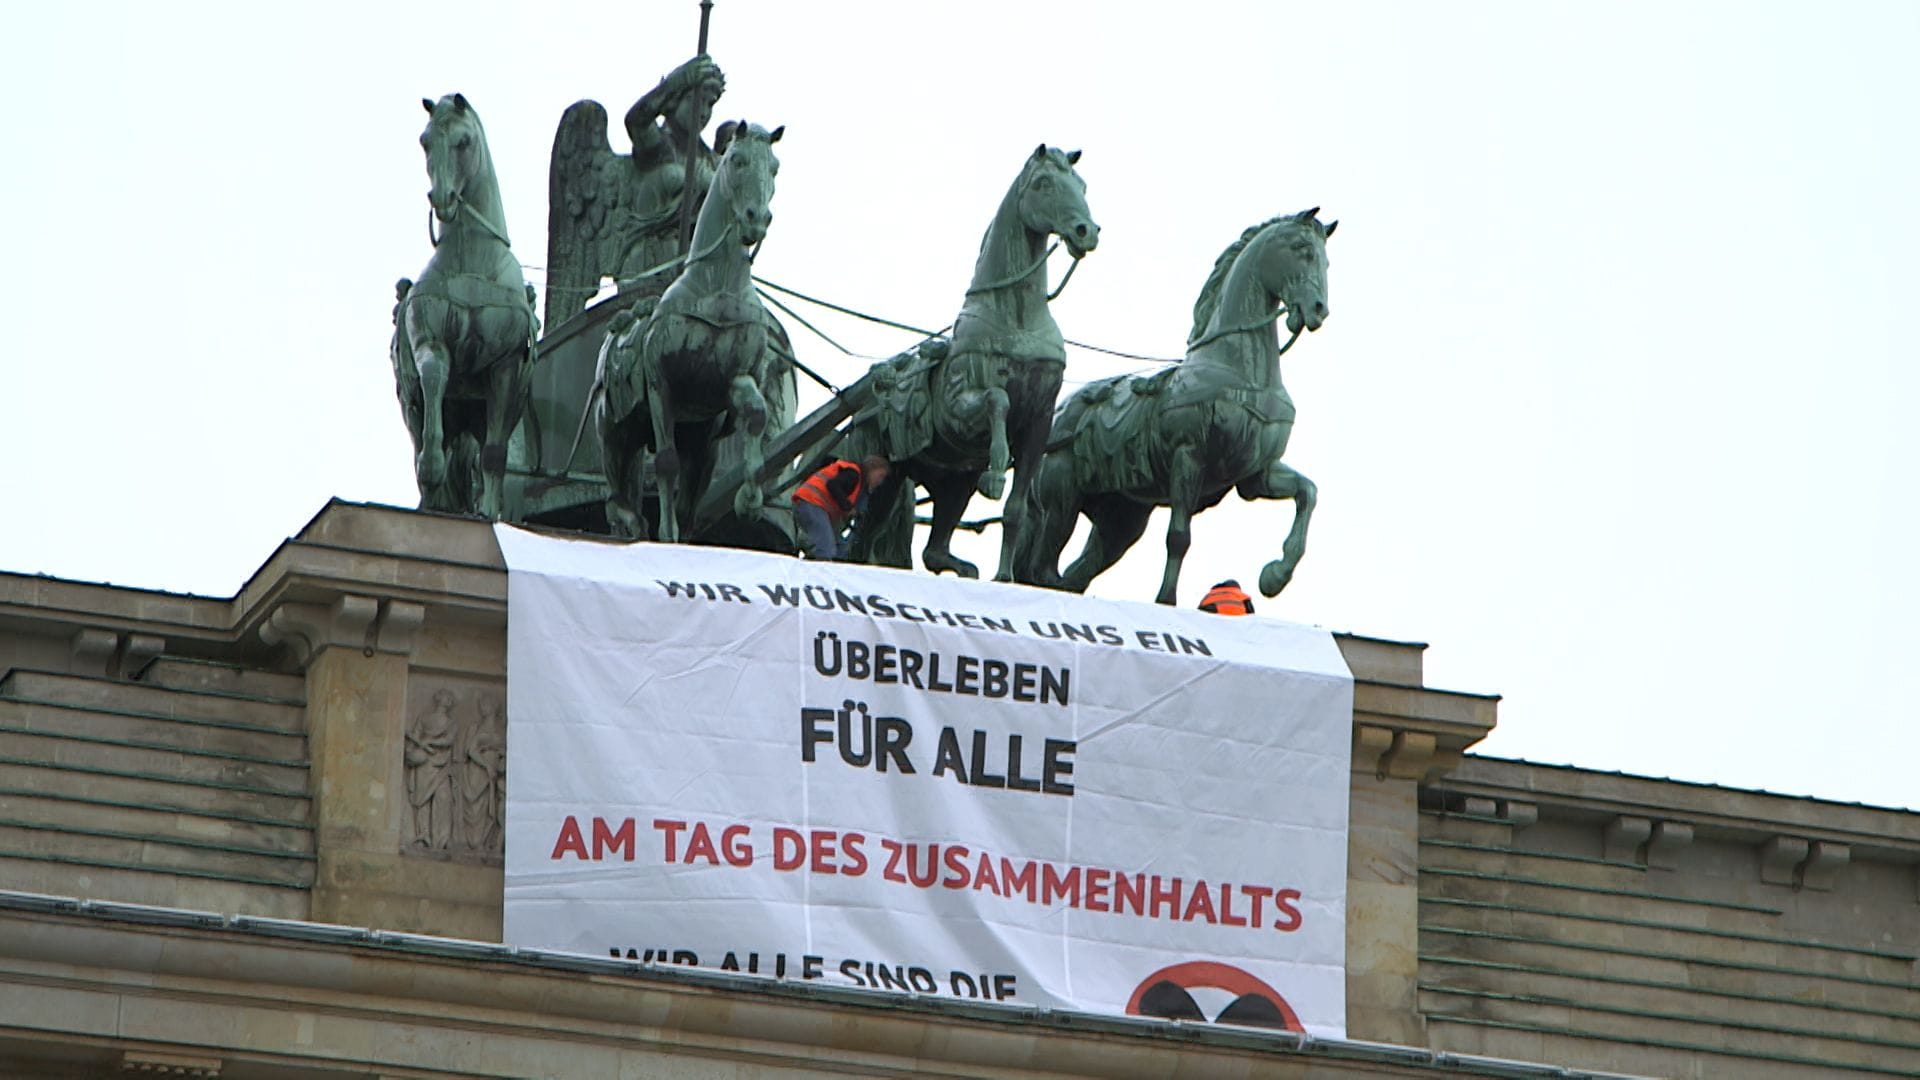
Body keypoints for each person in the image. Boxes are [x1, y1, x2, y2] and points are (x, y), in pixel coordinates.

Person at [615, 54, 727, 289]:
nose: (704, 111)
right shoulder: (658, 146)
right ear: (675, 100)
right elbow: (636, 121)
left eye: (710, 104)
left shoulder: (712, 162)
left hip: (696, 275)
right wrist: (674, 84)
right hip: (650, 266)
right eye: (697, 100)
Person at [793, 455, 890, 561]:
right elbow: (833, 485)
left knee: (839, 547)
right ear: (872, 469)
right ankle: (813, 573)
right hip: (812, 502)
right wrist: (848, 507)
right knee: (826, 549)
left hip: (811, 505)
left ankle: (814, 566)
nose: (880, 481)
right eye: (880, 476)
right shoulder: (854, 474)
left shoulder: (857, 482)